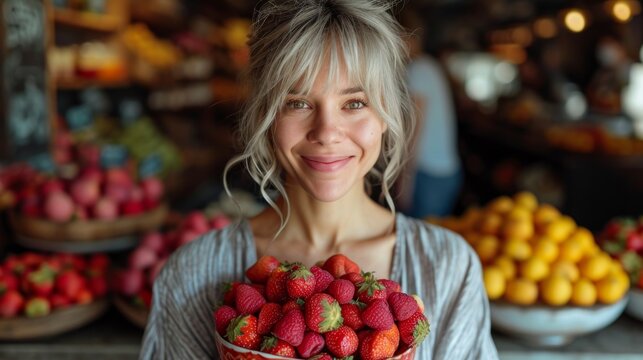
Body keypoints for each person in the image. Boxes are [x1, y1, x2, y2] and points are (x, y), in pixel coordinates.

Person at [140, 1, 498, 359]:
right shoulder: (191, 275)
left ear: (387, 112)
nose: (327, 132)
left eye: (355, 103)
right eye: (297, 102)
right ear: (265, 113)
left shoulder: (448, 269)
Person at [397, 8, 463, 219]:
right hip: (446, 171)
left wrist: (404, 181)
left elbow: (415, 131)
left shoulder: (417, 71)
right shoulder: (430, 66)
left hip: (428, 174)